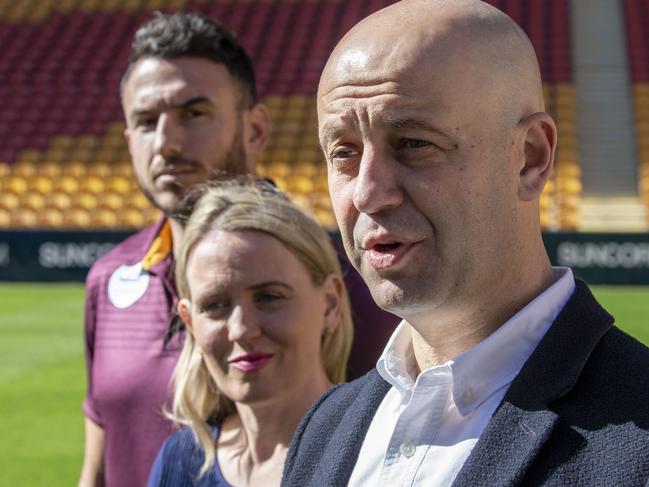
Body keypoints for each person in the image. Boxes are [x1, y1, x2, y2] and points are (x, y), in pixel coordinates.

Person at [282, 1, 649, 486]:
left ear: (530, 158)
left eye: (413, 143)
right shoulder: (322, 428)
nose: (367, 192)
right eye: (343, 153)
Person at [78, 11, 397, 487]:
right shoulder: (109, 277)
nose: (165, 141)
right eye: (146, 122)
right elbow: (99, 461)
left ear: (255, 130)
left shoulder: (353, 277)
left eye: (194, 113)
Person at [146, 177, 353, 486]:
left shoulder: (377, 452)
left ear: (329, 304)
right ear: (190, 322)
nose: (241, 329)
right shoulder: (181, 462)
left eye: (269, 297)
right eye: (215, 305)